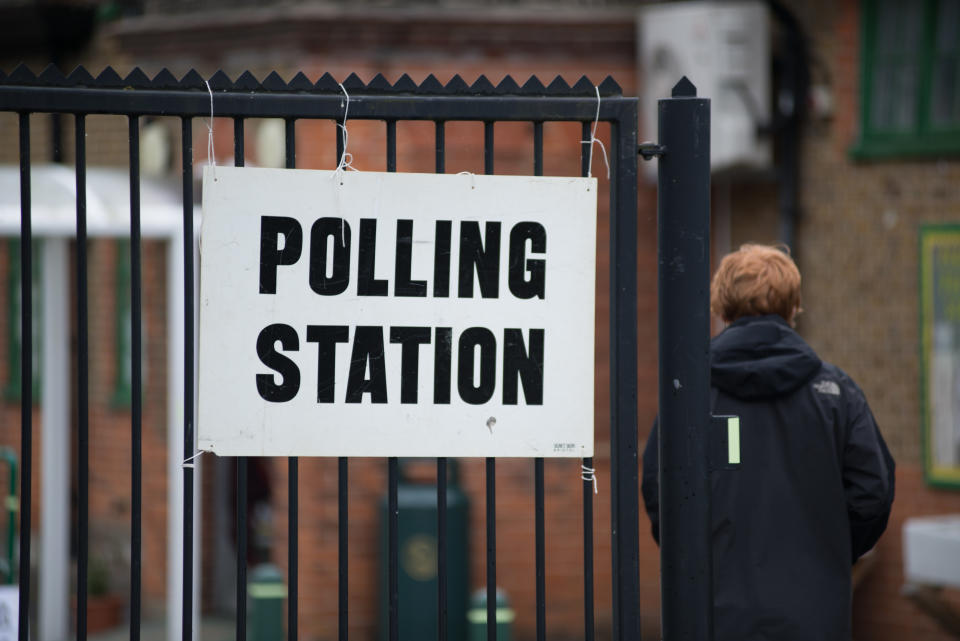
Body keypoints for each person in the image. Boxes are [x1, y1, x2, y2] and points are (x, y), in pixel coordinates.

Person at [641, 243, 895, 641]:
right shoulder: (836, 393)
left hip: (714, 614)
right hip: (815, 617)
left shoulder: (688, 395)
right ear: (792, 308)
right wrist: (828, 552)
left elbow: (662, 491)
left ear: (722, 309)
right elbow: (872, 493)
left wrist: (701, 557)